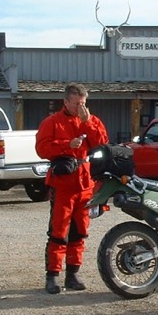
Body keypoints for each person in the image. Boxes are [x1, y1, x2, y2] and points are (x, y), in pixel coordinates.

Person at [35, 83, 108, 294]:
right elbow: (42, 148)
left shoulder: (91, 120)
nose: (80, 107)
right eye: (77, 104)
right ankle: (53, 276)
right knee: (59, 232)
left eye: (83, 103)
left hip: (85, 183)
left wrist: (87, 123)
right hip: (63, 184)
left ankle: (73, 274)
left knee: (80, 231)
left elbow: (102, 144)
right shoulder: (52, 122)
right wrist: (68, 145)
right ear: (66, 102)